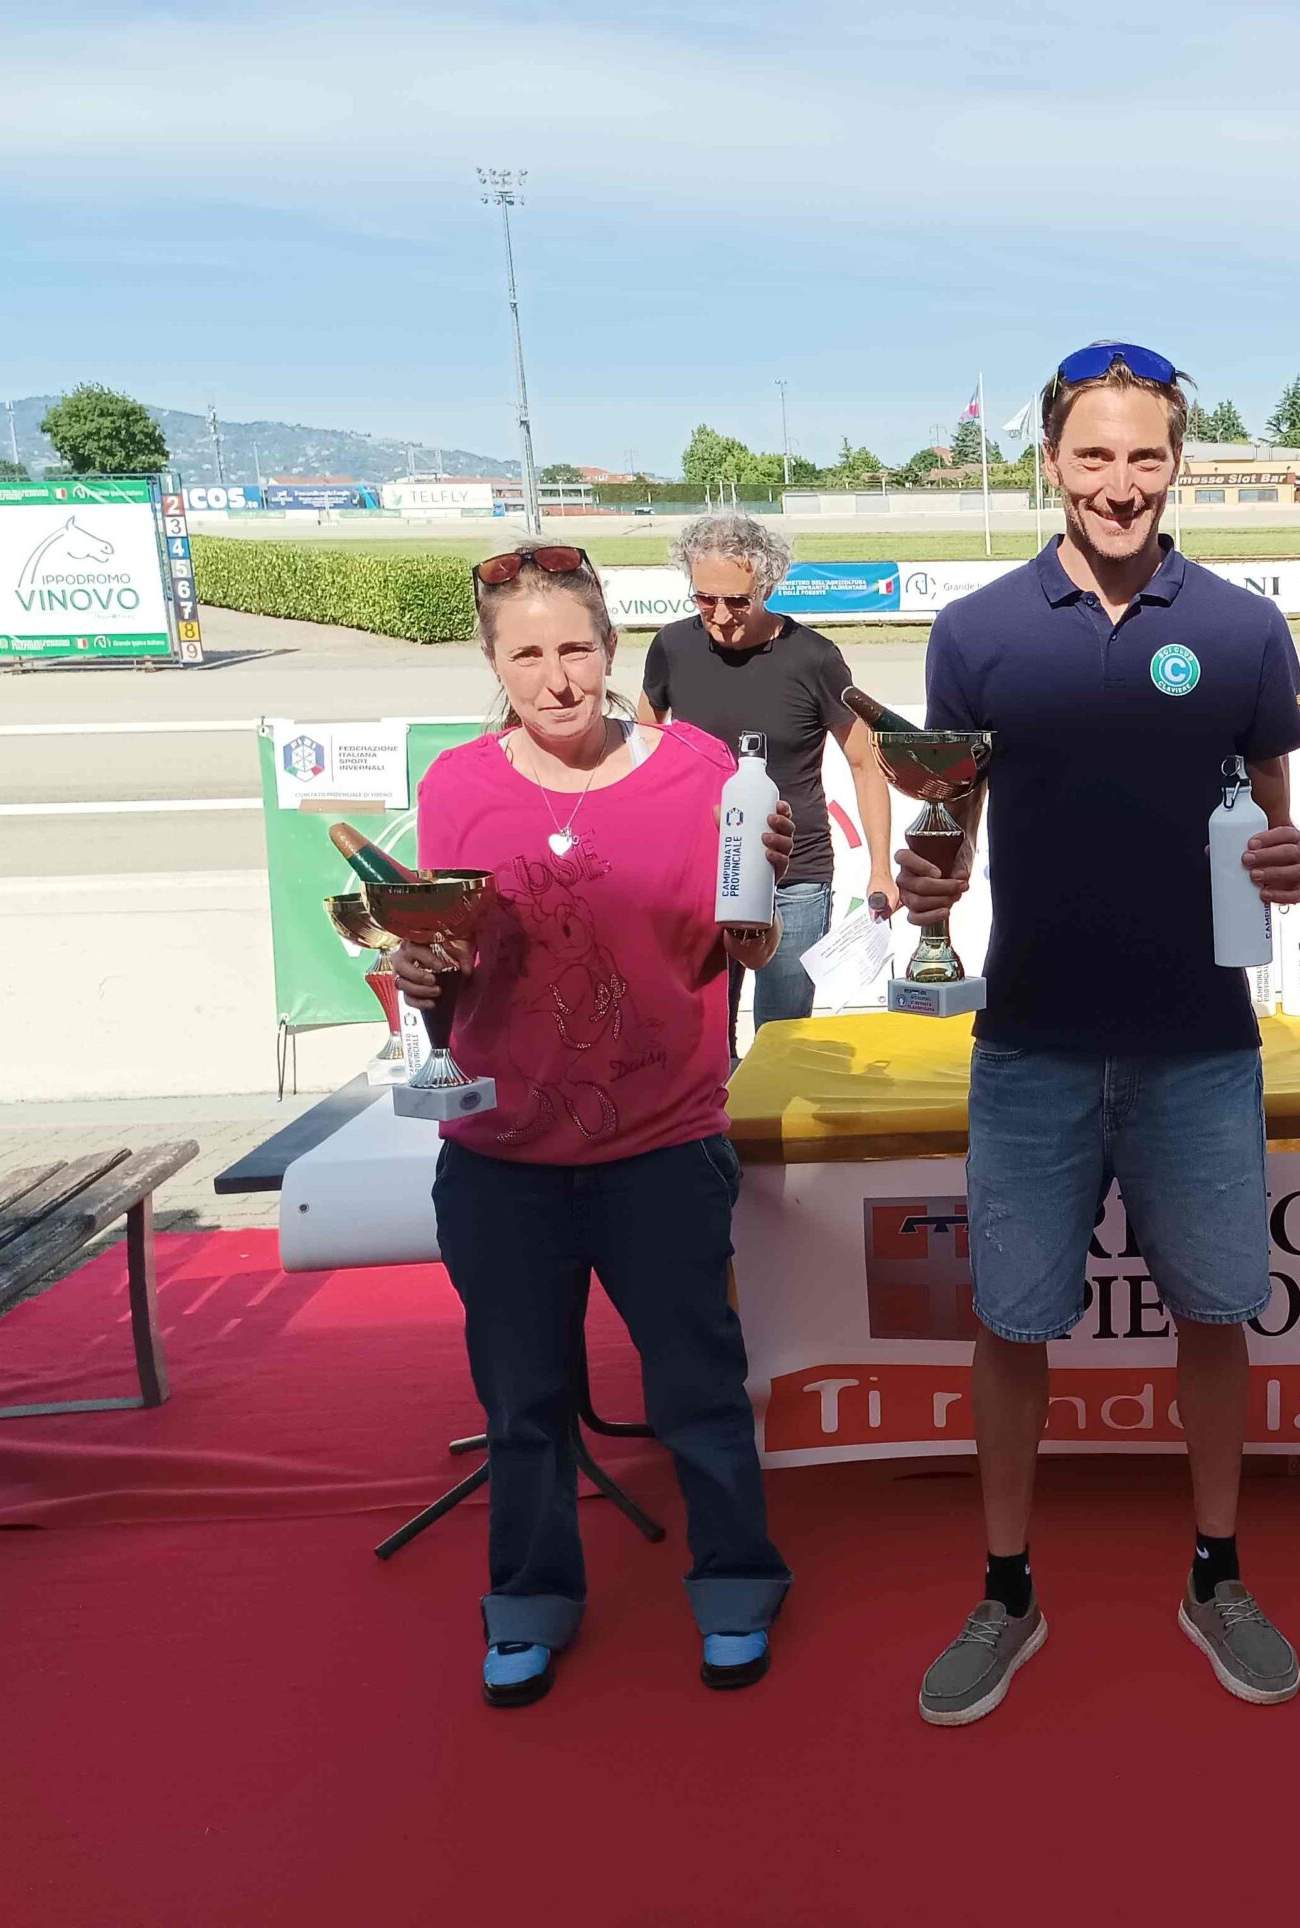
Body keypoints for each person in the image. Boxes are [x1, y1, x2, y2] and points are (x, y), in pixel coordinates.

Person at [894, 343, 1300, 1725]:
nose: (1120, 484)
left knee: (1216, 1318)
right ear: (1051, 461)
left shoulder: (1245, 630)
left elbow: (1274, 824)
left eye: (1145, 456)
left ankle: (1217, 1573)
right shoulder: (977, 633)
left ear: (1178, 464)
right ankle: (1007, 1589)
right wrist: (928, 881)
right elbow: (948, 815)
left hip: (1201, 1043)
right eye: (1094, 455)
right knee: (1012, 1327)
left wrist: (1291, 863)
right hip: (1029, 1042)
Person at [392, 543, 796, 1709]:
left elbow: (745, 942)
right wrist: (420, 969)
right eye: (527, 654)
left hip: (660, 1144)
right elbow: (445, 955)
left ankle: (736, 1580)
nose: (558, 678)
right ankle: (527, 1601)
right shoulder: (457, 784)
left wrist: (763, 902)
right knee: (522, 1401)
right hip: (502, 1156)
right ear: (492, 661)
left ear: (612, 647)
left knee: (697, 1389)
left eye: (576, 647)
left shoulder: (702, 770)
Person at [639, 511, 896, 1043]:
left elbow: (865, 763)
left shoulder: (815, 658)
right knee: (705, 1038)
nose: (720, 615)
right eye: (704, 599)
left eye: (737, 601)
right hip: (701, 871)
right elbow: (645, 747)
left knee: (782, 1041)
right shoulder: (670, 647)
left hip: (796, 877)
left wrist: (880, 870)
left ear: (768, 587)